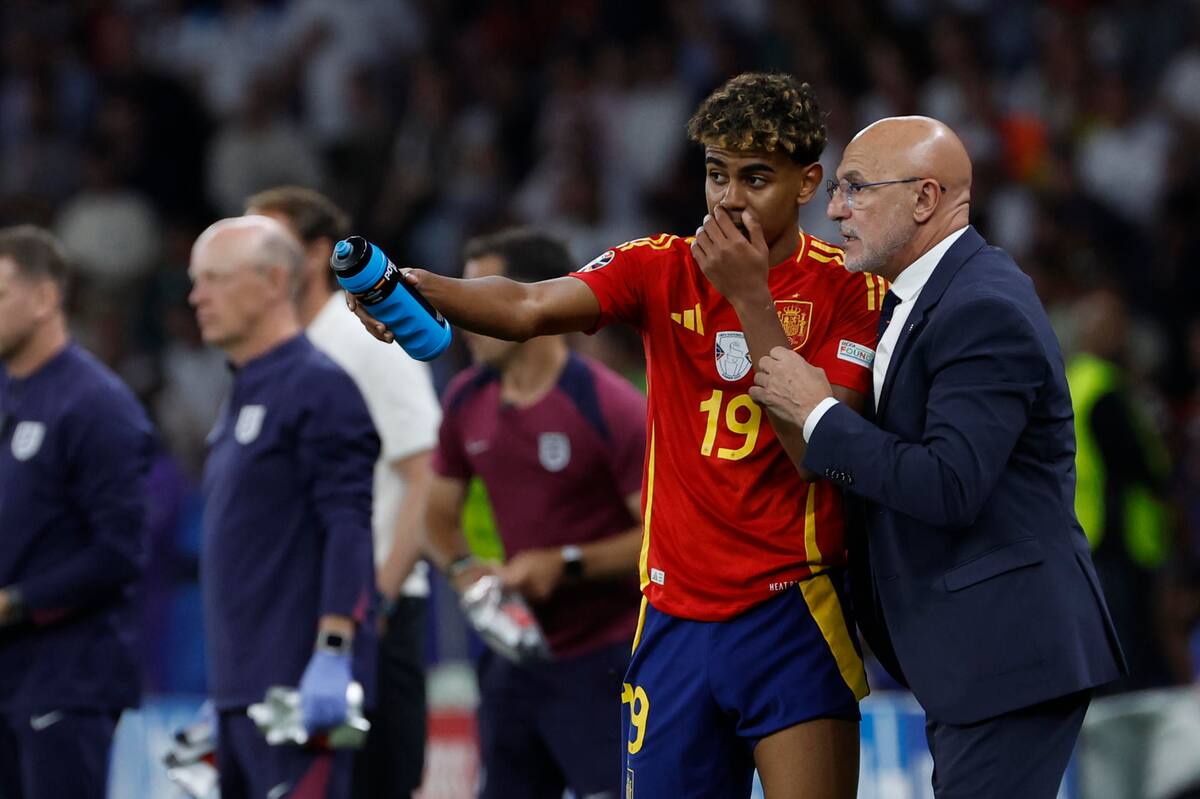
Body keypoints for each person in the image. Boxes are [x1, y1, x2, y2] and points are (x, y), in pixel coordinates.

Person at [353, 72, 881, 799]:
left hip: (792, 608)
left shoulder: (852, 291)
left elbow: (817, 455)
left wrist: (750, 298)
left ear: (808, 182)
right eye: (716, 174)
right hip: (671, 615)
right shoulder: (660, 266)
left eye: (755, 178)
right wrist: (413, 285)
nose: (728, 199)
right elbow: (530, 302)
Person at [747, 116, 1126, 798]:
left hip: (1009, 655)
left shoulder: (982, 306)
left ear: (925, 200)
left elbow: (949, 482)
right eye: (836, 188)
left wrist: (818, 413)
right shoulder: (922, 297)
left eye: (856, 189)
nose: (834, 209)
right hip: (973, 656)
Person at [425, 229, 645, 799]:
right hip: (513, 663)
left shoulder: (608, 405)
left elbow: (662, 535)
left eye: (480, 297)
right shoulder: (466, 399)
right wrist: (465, 574)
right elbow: (436, 514)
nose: (465, 316)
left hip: (603, 662)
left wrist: (566, 563)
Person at [245, 186, 441, 798]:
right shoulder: (276, 353)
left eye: (267, 244)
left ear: (316, 255)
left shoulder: (365, 342)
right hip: (304, 614)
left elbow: (426, 473)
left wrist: (373, 604)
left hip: (370, 617)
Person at [190, 215, 379, 799]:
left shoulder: (319, 386)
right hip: (242, 694)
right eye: (197, 281)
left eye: (215, 279)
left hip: (298, 696)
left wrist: (333, 650)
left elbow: (349, 525)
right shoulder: (244, 388)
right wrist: (223, 694)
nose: (197, 296)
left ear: (275, 281)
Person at [0, 225, 154, 799]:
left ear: (45, 299)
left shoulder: (97, 405)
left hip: (68, 678)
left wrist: (14, 602)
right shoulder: (7, 392)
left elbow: (119, 552)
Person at [1067, 286, 1175, 693]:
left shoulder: (1073, 380)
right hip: (1119, 543)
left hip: (1083, 539)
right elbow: (1142, 467)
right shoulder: (1106, 390)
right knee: (1130, 662)